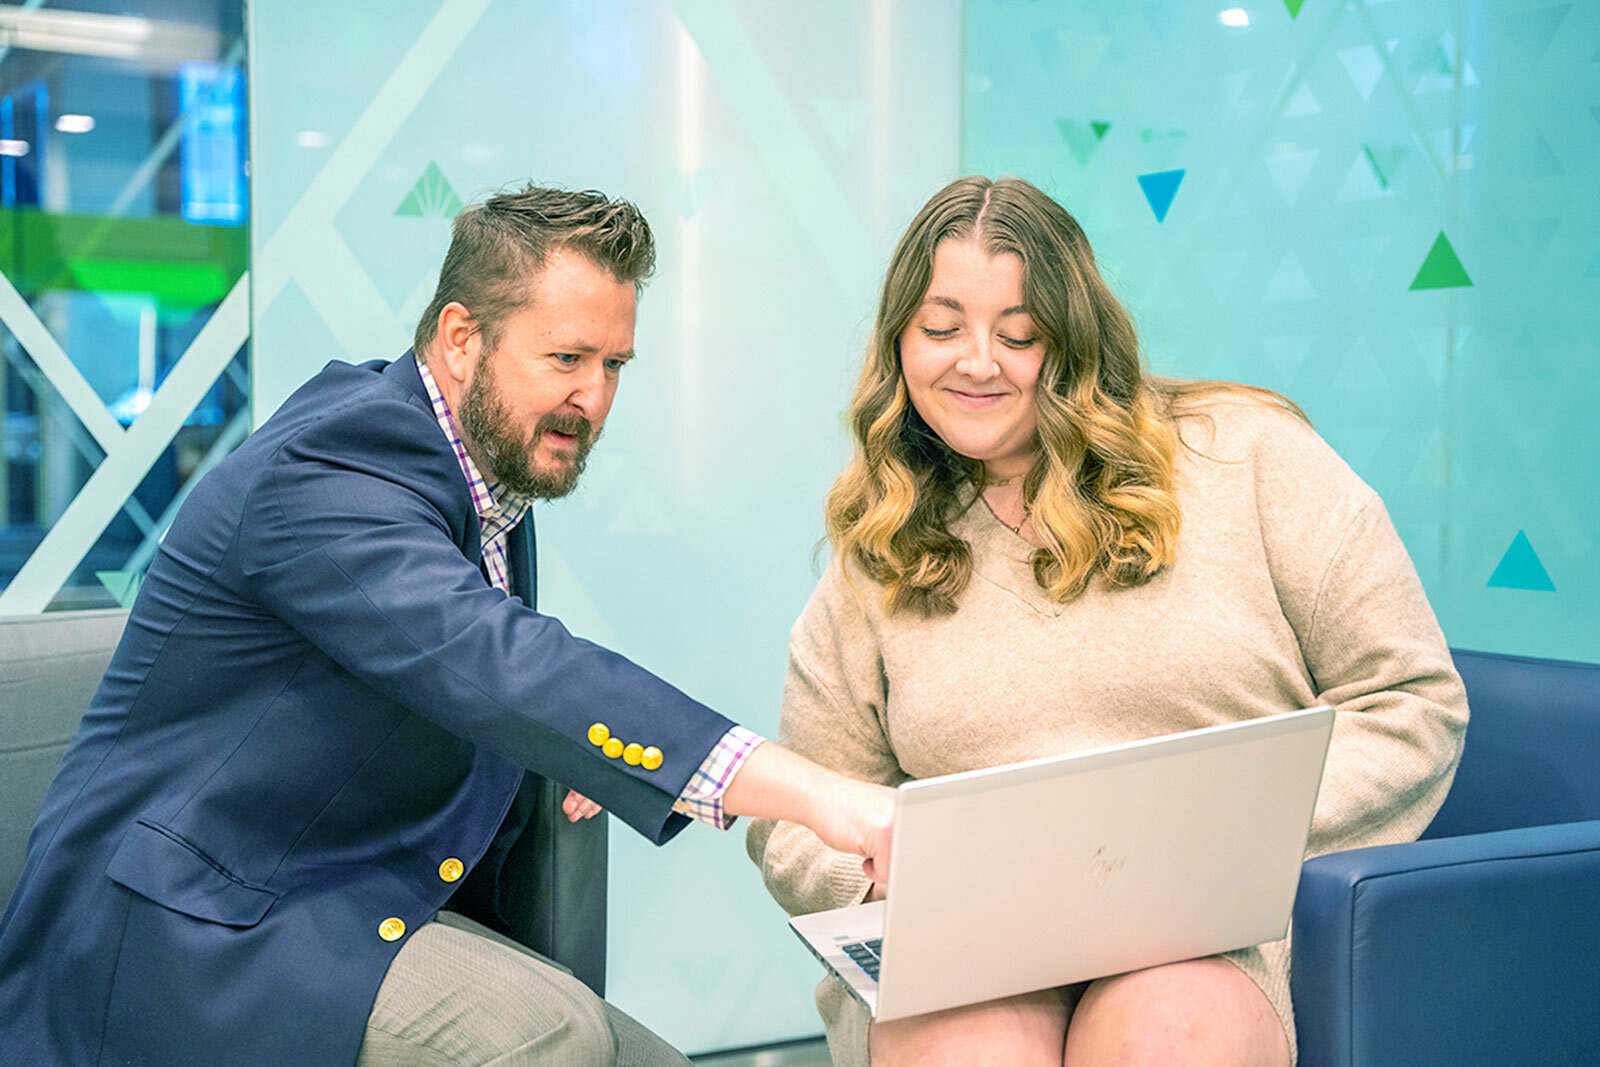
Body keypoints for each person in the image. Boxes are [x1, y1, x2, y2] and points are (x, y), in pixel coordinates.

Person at [0, 184, 893, 1067]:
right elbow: (492, 660)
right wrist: (821, 795)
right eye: (567, 358)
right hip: (196, 927)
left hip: (338, 889)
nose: (594, 397)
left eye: (614, 365)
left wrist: (554, 750)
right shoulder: (334, 467)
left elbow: (439, 678)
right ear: (463, 340)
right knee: (550, 1036)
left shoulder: (489, 465)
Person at [747, 175, 1468, 1067]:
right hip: (969, 946)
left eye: (1020, 334)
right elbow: (794, 821)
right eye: (941, 329)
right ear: (898, 342)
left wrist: (1212, 839)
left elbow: (1413, 701)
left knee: (1165, 1033)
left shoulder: (1248, 455)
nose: (978, 361)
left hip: (1208, 935)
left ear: (1077, 339)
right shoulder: (879, 543)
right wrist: (883, 866)